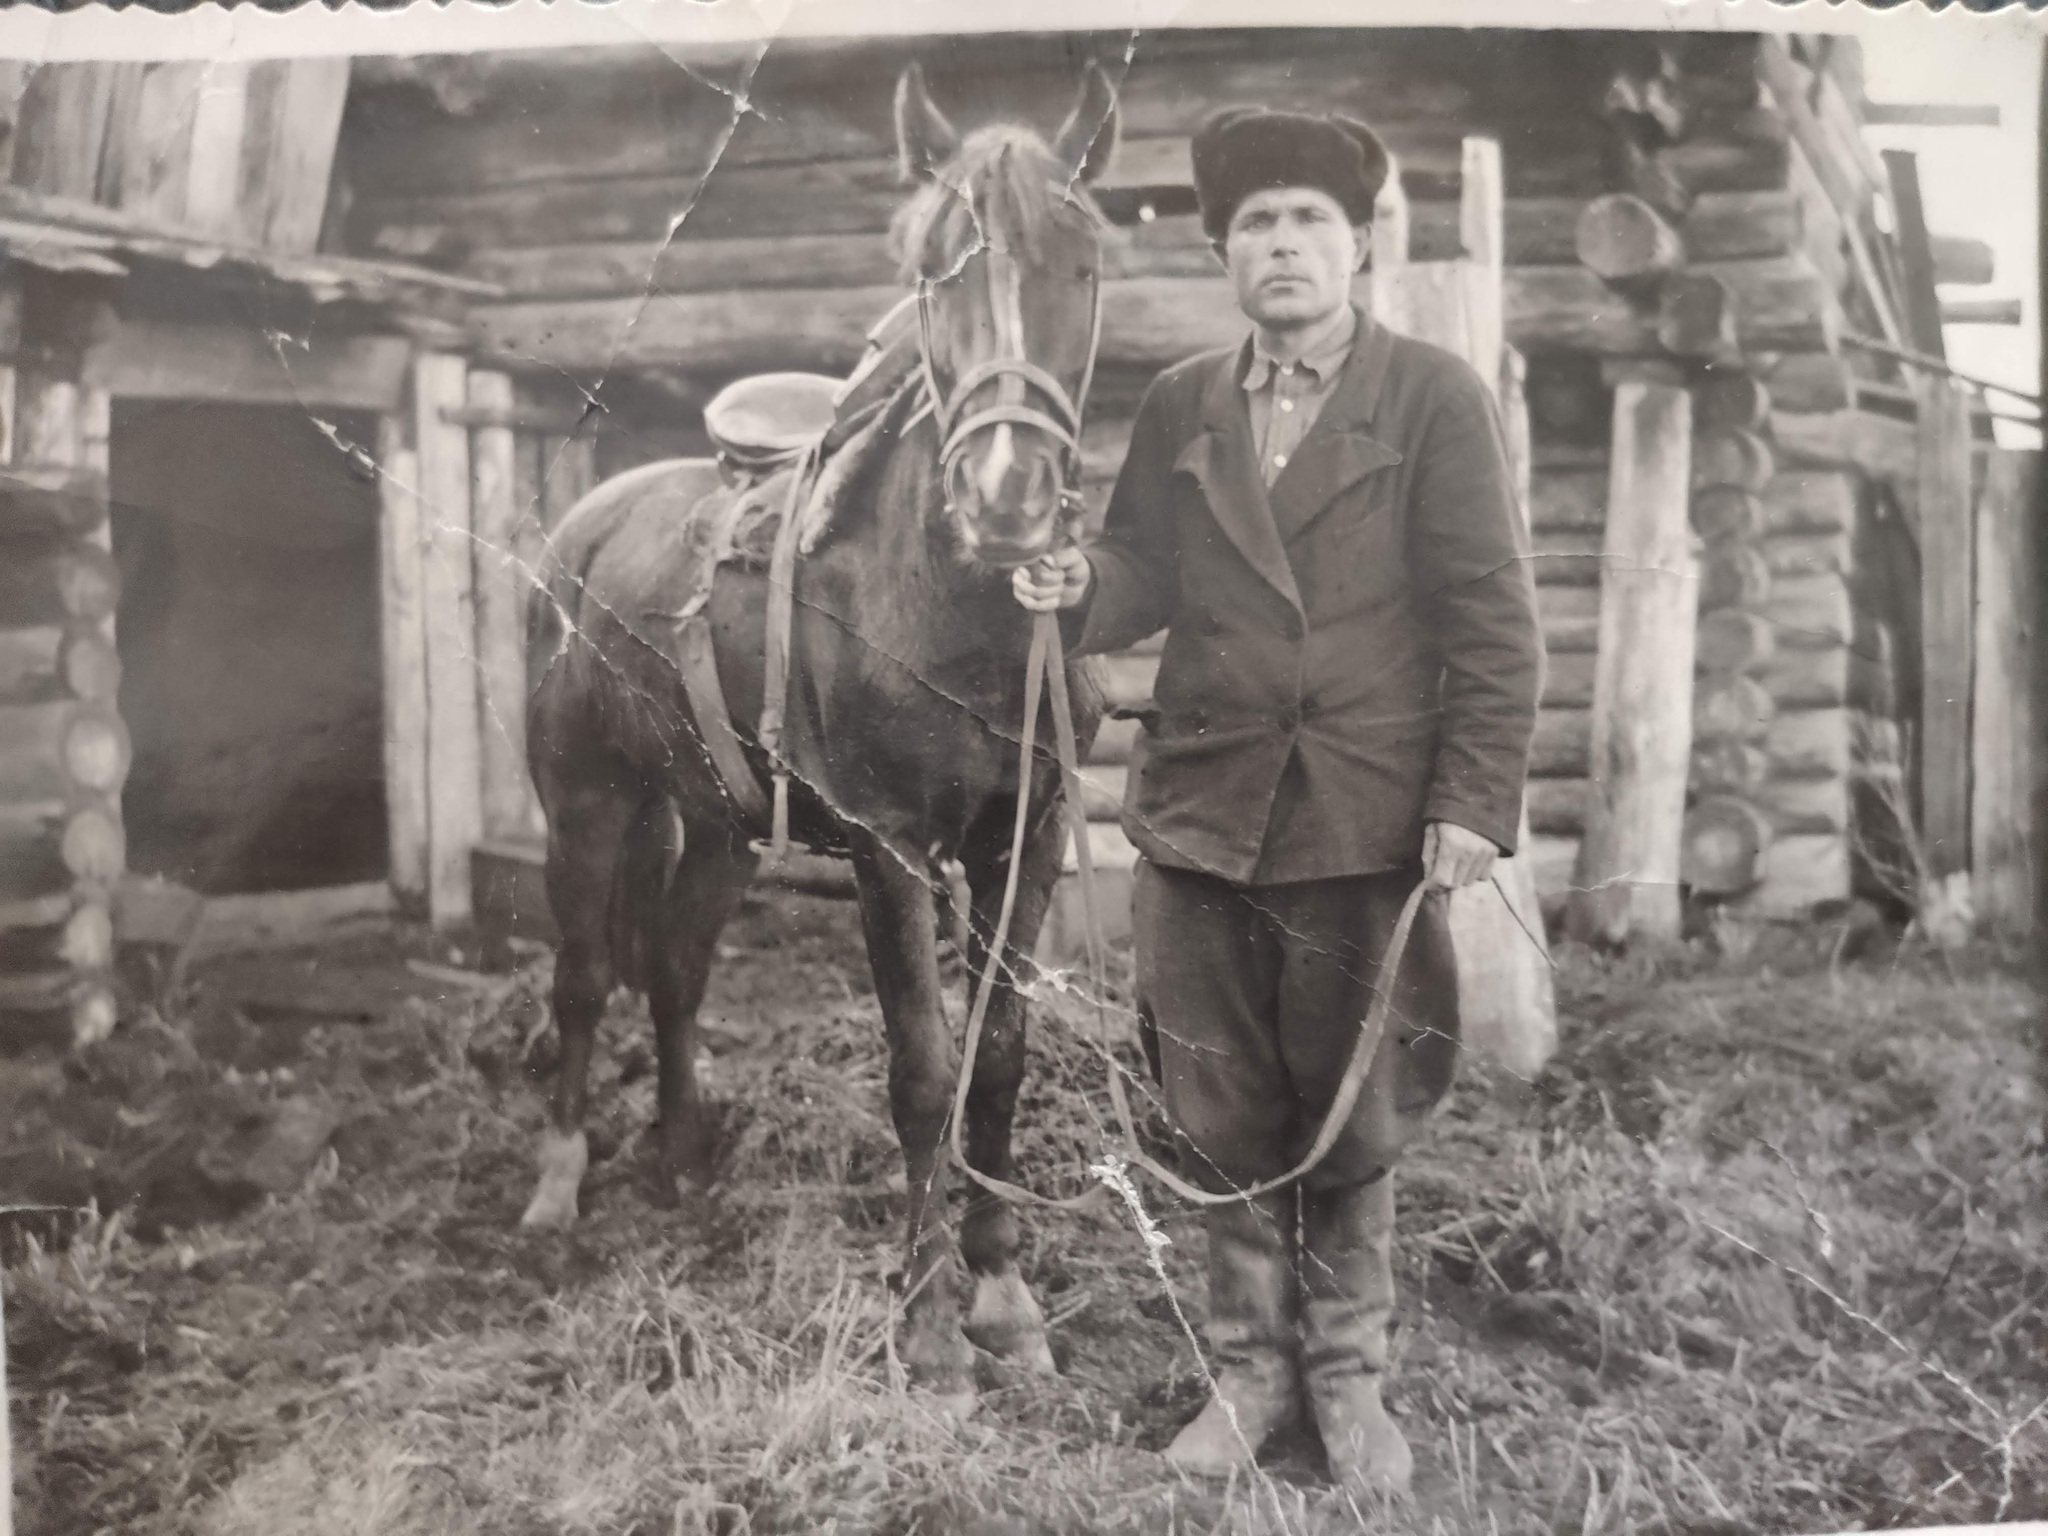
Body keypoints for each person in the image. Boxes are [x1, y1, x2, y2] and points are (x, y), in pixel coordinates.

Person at [1013, 104, 1542, 1497]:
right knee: (1218, 1103)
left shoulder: (1432, 397)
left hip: (1362, 812)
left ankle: (1350, 1386)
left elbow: (1492, 615)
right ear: (1222, 255)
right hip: (1202, 810)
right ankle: (1249, 1377)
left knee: (1354, 1110)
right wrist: (1082, 591)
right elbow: (1143, 569)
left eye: (1310, 221)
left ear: (1359, 249)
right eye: (1257, 224)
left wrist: (1474, 797)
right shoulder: (1187, 399)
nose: (1283, 246)